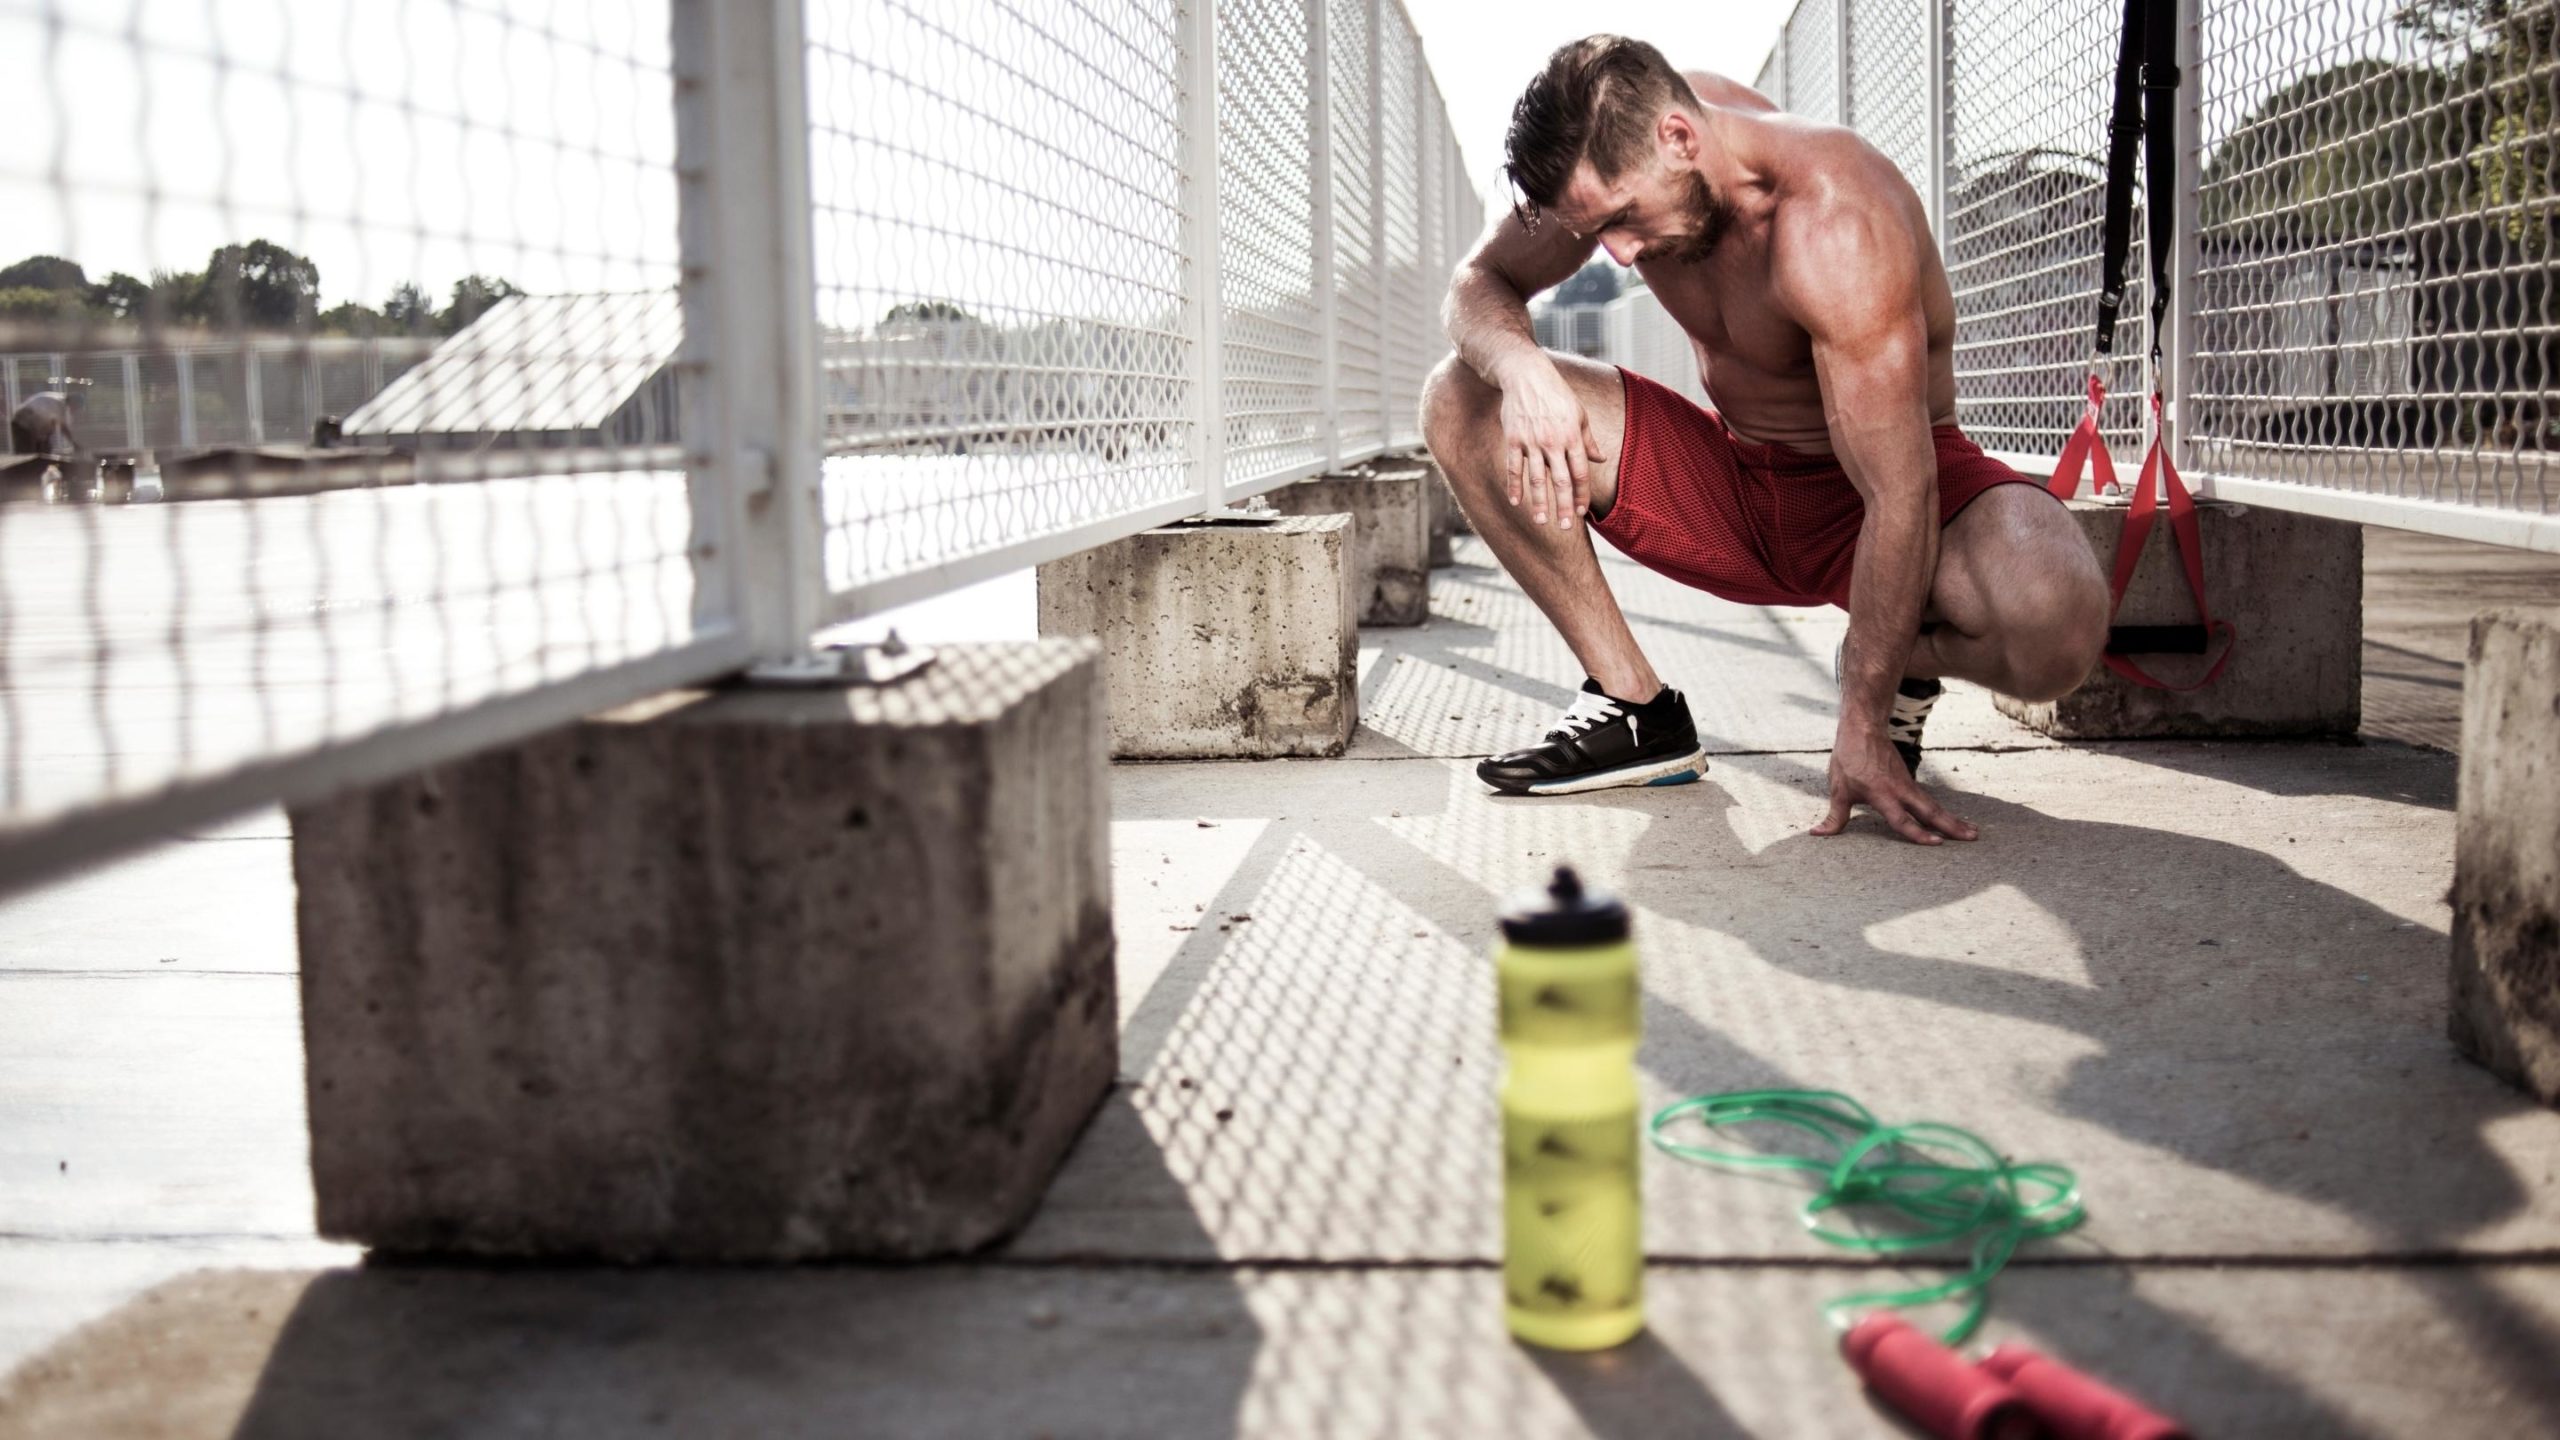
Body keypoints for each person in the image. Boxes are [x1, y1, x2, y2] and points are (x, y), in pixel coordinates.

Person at [1424, 35, 2109, 846]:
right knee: (1462, 397)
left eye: (1619, 221)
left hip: (1889, 495)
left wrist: (1862, 702)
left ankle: (1899, 676)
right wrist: (1522, 367)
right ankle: (1635, 709)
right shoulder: (1627, 143)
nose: (1616, 254)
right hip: (1740, 484)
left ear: (1679, 138)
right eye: (1595, 229)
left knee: (2057, 621)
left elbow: (1901, 490)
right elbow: (1476, 283)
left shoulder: (1834, 219)